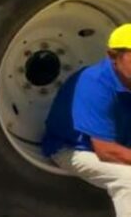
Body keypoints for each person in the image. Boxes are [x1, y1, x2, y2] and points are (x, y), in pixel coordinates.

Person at [42, 25, 131, 214]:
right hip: (77, 149)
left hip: (121, 143)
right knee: (128, 179)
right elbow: (105, 150)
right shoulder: (94, 83)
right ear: (113, 56)